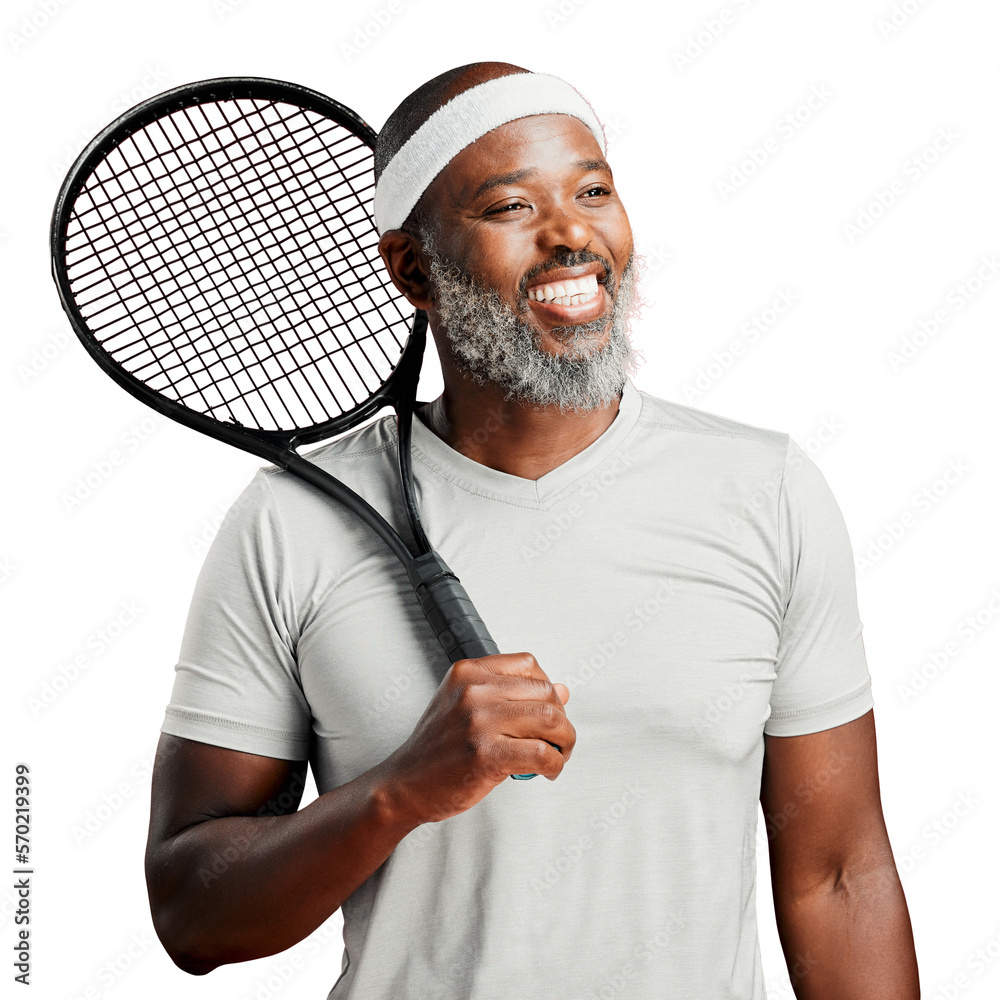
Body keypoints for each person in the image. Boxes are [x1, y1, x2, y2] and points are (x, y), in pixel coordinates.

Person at [145, 62, 920, 998]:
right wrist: (398, 791)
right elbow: (193, 916)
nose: (572, 237)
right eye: (511, 207)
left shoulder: (766, 492)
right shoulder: (291, 522)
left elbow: (839, 873)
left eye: (593, 191)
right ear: (414, 270)